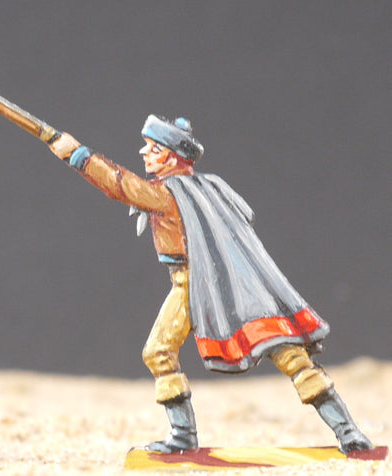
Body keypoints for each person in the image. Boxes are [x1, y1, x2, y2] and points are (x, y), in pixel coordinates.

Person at [48, 115, 372, 454]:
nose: (143, 153)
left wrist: (78, 155)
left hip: (200, 283)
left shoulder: (168, 193)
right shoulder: (211, 187)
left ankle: (346, 432)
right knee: (287, 353)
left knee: (168, 351)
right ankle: (346, 432)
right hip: (232, 280)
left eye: (154, 148)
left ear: (173, 157)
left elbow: (122, 186)